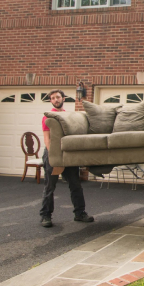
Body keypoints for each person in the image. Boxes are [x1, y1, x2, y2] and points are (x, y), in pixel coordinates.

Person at [40, 89, 94, 228]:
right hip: (53, 154)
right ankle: (45, 216)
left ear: (63, 98)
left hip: (68, 154)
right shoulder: (48, 117)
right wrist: (53, 155)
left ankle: (80, 213)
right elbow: (47, 138)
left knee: (75, 184)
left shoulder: (68, 116)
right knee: (50, 186)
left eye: (58, 97)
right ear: (51, 101)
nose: (55, 99)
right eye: (52, 98)